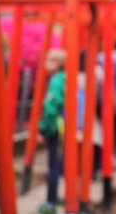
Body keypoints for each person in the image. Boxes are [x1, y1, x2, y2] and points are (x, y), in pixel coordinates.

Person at [38, 49, 67, 214]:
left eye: (51, 60)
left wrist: (42, 129)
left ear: (59, 63)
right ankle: (54, 197)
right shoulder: (64, 78)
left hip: (56, 126)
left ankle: (50, 202)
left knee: (53, 165)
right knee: (57, 163)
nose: (46, 64)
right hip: (63, 125)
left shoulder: (56, 81)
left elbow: (50, 108)